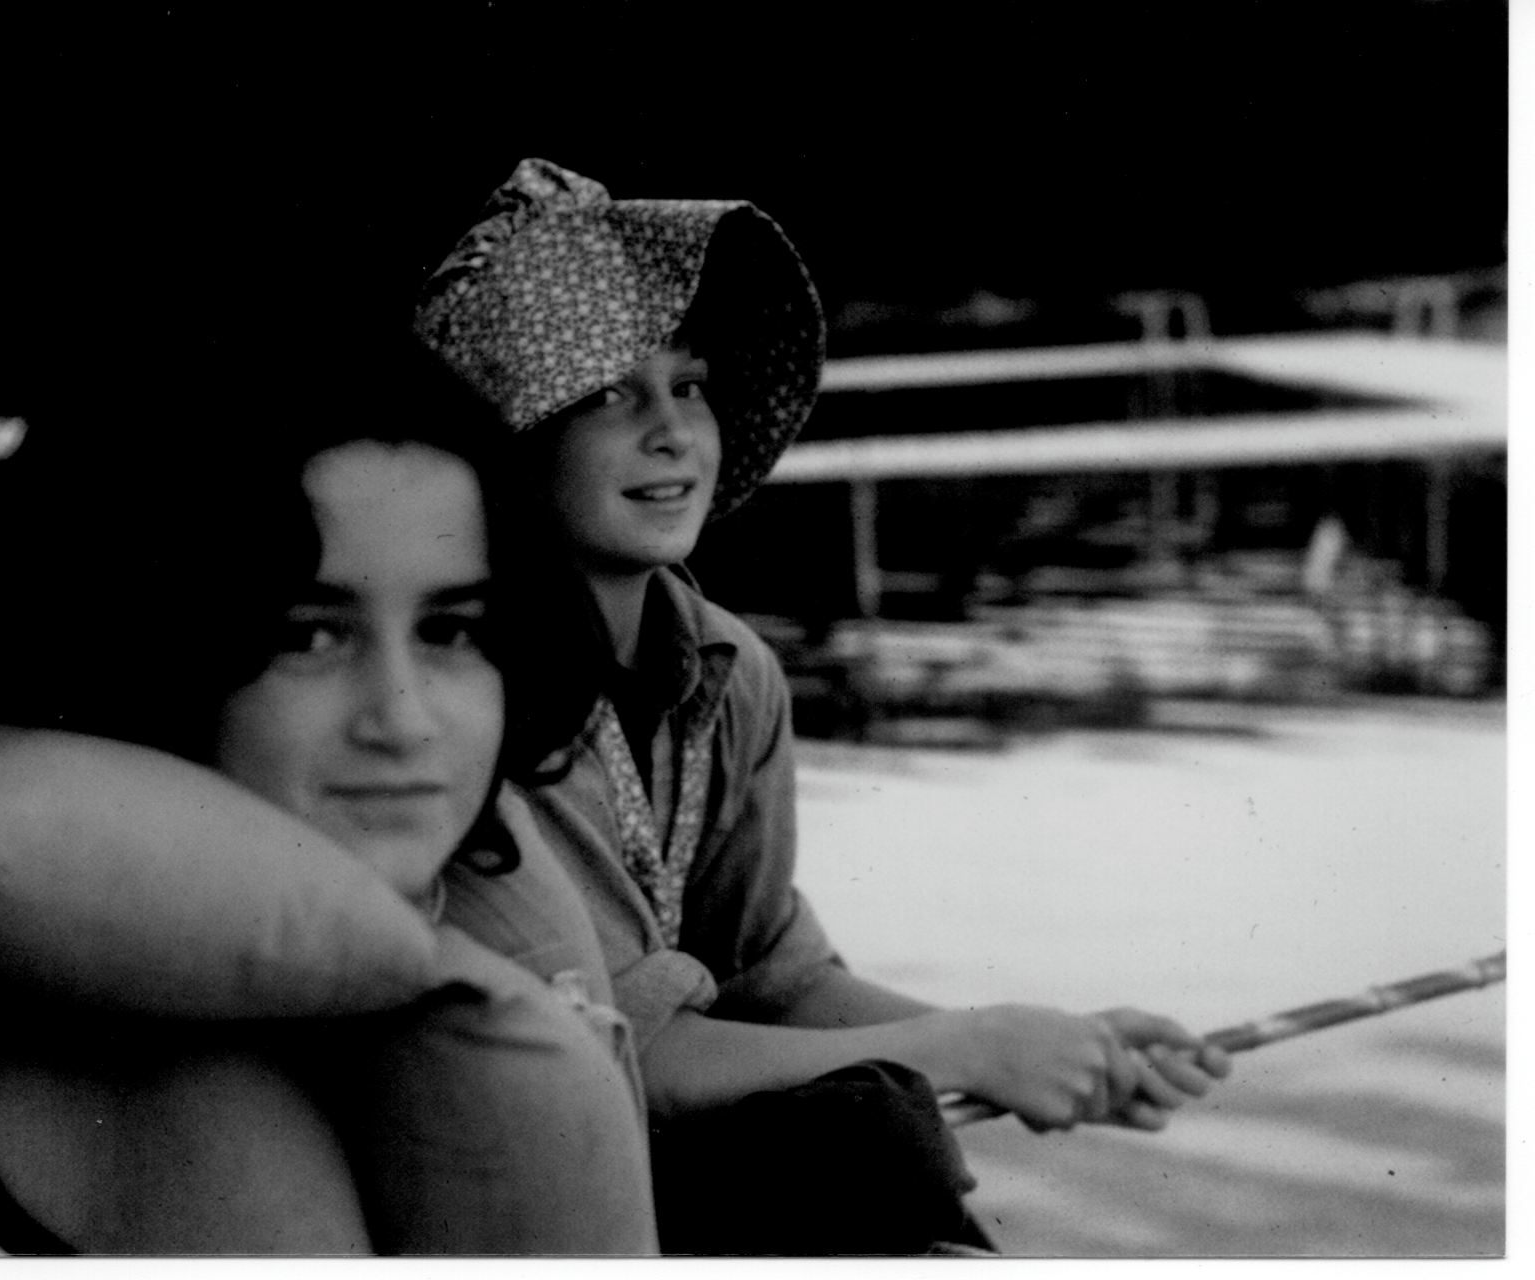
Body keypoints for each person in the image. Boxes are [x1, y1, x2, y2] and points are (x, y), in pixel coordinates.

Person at [414, 157, 1232, 1255]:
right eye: (612, 392)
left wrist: (1055, 1040)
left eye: (690, 384)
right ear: (513, 438)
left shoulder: (731, 669)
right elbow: (622, 1052)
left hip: (660, 1154)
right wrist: (970, 1046)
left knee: (875, 1132)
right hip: (514, 1189)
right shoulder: (475, 701)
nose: (672, 432)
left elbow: (777, 981)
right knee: (876, 1132)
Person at [0, 334, 657, 1255]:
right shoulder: (175, 1085)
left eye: (452, 630)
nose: (404, 721)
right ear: (147, 648)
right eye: (309, 638)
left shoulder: (194, 959)